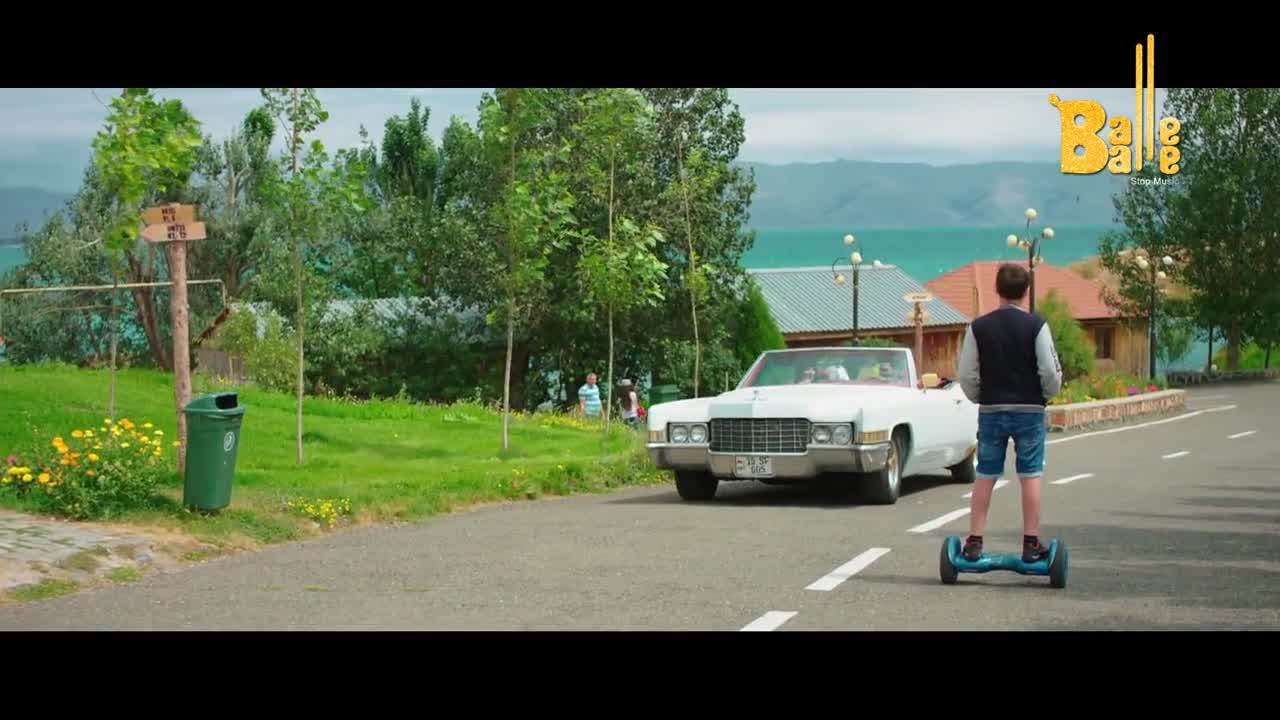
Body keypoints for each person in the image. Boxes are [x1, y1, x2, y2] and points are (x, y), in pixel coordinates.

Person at [956, 263, 1063, 563]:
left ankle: (975, 541)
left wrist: (981, 396)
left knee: (986, 473)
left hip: (991, 409)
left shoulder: (978, 327)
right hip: (1029, 409)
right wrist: (1045, 396)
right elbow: (1050, 371)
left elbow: (966, 373)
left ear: (997, 289)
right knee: (1030, 474)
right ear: (1026, 292)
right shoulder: (1037, 326)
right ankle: (1031, 543)